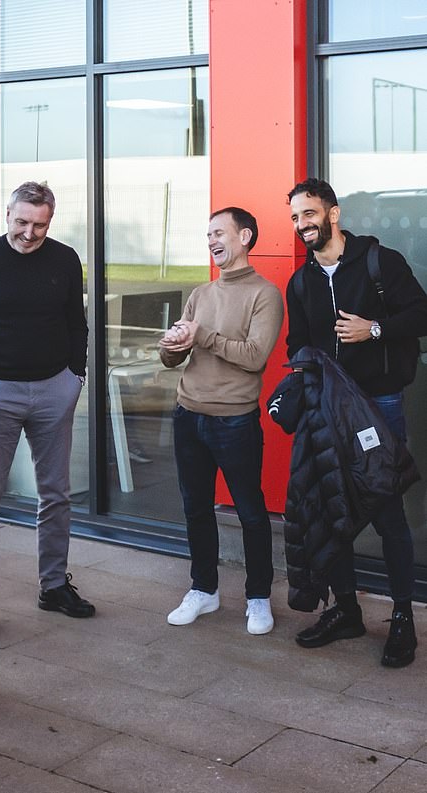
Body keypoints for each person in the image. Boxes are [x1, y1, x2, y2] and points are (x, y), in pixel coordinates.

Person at [286, 177, 427, 667]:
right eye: (296, 218)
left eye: (309, 213)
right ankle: (346, 612)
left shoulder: (378, 261)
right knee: (334, 510)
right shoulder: (301, 281)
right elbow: (296, 346)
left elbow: (421, 313)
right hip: (329, 409)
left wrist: (375, 329)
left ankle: (404, 619)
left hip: (379, 405)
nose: (303, 224)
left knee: (388, 513)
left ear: (333, 213)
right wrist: (303, 374)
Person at [0, 181, 93, 644]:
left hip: (55, 388)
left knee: (56, 495)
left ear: (50, 221)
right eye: (21, 222)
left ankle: (54, 586)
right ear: (7, 214)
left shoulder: (65, 259)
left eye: (39, 225)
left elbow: (77, 321)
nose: (29, 233)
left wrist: (76, 376)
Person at [160, 207, 283, 634]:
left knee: (250, 512)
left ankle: (258, 598)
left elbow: (254, 357)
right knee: (195, 508)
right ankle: (204, 590)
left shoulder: (265, 294)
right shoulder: (201, 293)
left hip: (234, 421)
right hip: (188, 414)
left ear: (244, 236)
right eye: (207, 234)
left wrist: (202, 337)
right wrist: (172, 345)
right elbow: (173, 357)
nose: (211, 240)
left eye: (218, 232)